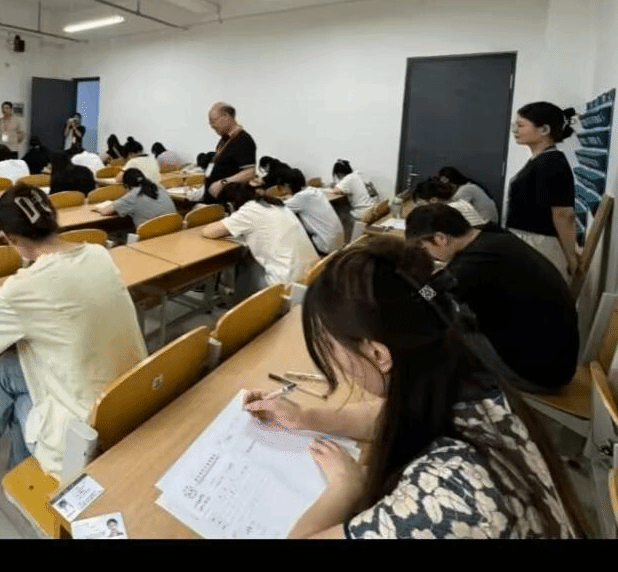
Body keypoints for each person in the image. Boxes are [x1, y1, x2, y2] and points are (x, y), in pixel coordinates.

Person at [244, 237, 587, 539]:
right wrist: (306, 416)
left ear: (377, 354)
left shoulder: (448, 495)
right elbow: (388, 416)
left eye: (329, 346)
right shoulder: (469, 377)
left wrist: (347, 488)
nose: (332, 362)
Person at [0, 183, 147, 475]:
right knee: (10, 366)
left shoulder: (24, 286)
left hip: (85, 431)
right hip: (129, 399)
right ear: (54, 217)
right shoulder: (98, 253)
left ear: (11, 238)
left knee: (11, 381)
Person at [405, 203, 578, 392]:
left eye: (425, 249)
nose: (429, 256)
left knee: (446, 331)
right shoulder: (492, 236)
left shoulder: (470, 266)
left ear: (441, 238)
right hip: (558, 357)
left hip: (540, 374)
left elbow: (428, 294)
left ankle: (476, 396)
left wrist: (413, 289)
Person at [202, 182, 318, 301]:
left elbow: (208, 232)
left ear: (230, 205)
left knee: (247, 261)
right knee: (251, 257)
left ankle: (241, 304)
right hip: (311, 276)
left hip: (286, 284)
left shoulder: (249, 211)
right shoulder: (275, 204)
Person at [506, 101, 578, 283]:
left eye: (521, 125)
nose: (515, 130)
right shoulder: (539, 160)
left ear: (544, 130)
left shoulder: (553, 163)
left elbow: (563, 214)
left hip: (539, 244)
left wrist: (571, 257)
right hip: (527, 242)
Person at [280, 168, 344, 255]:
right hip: (339, 242)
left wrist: (284, 199)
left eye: (283, 187)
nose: (283, 191)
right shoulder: (313, 190)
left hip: (326, 246)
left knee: (295, 235)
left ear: (287, 185)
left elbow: (280, 207)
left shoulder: (300, 197)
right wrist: (291, 198)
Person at [203, 102, 257, 203]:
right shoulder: (225, 139)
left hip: (228, 200)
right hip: (213, 198)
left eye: (213, 121)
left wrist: (223, 182)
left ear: (226, 116)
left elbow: (250, 172)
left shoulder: (243, 140)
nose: (212, 126)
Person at [93, 167, 176, 227]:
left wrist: (97, 208)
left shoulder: (132, 196)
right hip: (172, 228)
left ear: (126, 185)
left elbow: (105, 212)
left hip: (150, 233)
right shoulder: (158, 186)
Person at [411, 177, 488, 227]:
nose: (418, 207)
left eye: (420, 203)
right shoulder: (459, 200)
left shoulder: (451, 209)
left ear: (433, 200)